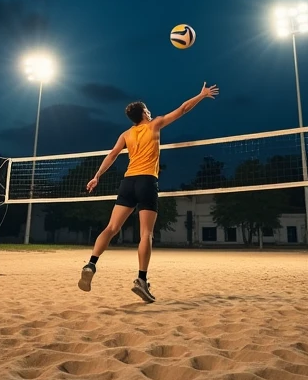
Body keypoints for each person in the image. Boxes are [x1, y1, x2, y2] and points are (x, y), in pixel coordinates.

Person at [78, 81, 219, 302]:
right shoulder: (154, 125)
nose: (150, 111)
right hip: (146, 181)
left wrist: (97, 176)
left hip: (128, 182)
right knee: (146, 234)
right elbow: (182, 109)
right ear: (144, 113)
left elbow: (113, 155)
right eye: (147, 109)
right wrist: (201, 95)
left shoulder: (126, 134)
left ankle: (91, 263)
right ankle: (141, 280)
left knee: (112, 227)